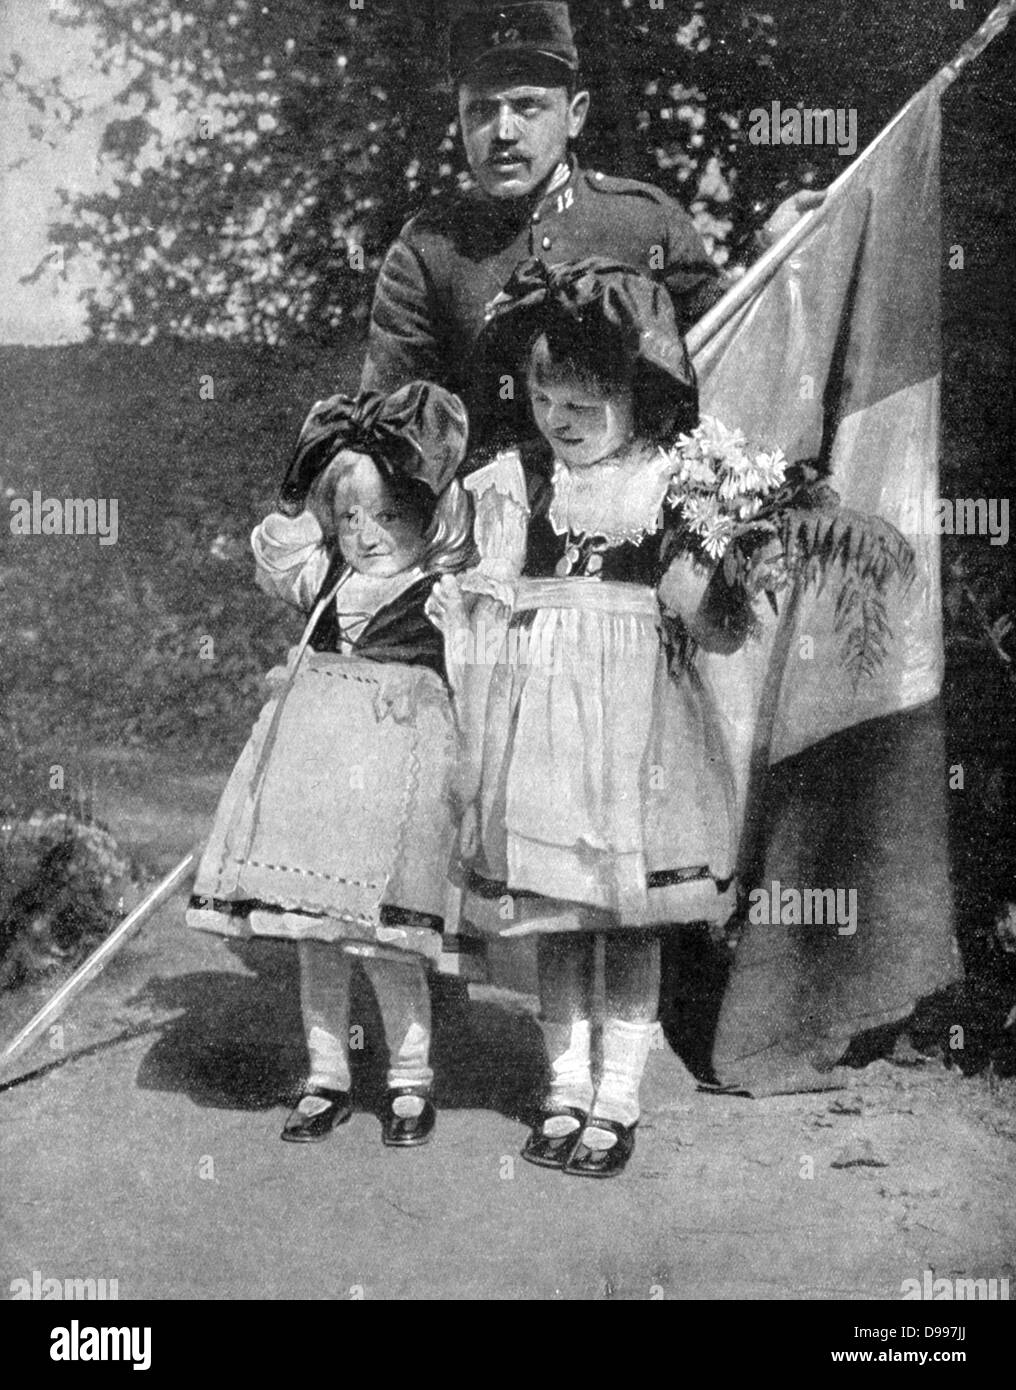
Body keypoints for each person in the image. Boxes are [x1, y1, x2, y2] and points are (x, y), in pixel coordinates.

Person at [428, 259, 740, 1178]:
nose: (558, 421)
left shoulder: (671, 485)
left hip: (637, 726)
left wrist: (728, 567)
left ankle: (619, 1097)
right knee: (557, 919)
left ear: (637, 398)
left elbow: (701, 616)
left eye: (583, 403)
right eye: (543, 398)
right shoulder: (517, 486)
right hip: (546, 725)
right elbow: (485, 601)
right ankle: (563, 1086)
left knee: (626, 917)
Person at [186, 382, 475, 1148]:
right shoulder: (330, 584)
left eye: (390, 515)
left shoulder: (440, 593)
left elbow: (476, 671)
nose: (370, 535)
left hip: (392, 781)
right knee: (315, 936)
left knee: (383, 941)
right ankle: (325, 1076)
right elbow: (280, 547)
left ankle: (410, 1079)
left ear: (429, 518)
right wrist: (316, 482)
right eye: (350, 518)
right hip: (316, 776)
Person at [361, 0, 822, 446]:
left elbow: (724, 346)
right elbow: (392, 420)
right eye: (481, 110)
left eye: (527, 107)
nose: (503, 132)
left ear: (574, 114)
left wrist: (772, 253)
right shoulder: (427, 251)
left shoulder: (643, 221)